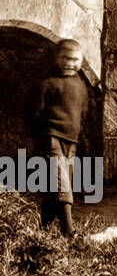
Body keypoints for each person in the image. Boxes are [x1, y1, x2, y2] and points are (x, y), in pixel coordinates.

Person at [25, 38, 90, 237]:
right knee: (61, 182)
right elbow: (34, 111)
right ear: (56, 58)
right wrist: (37, 135)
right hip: (50, 137)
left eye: (74, 60)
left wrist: (83, 138)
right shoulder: (48, 83)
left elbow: (83, 113)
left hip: (71, 140)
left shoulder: (80, 85)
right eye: (65, 58)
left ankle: (44, 229)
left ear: (81, 60)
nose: (69, 63)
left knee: (55, 183)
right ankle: (69, 232)